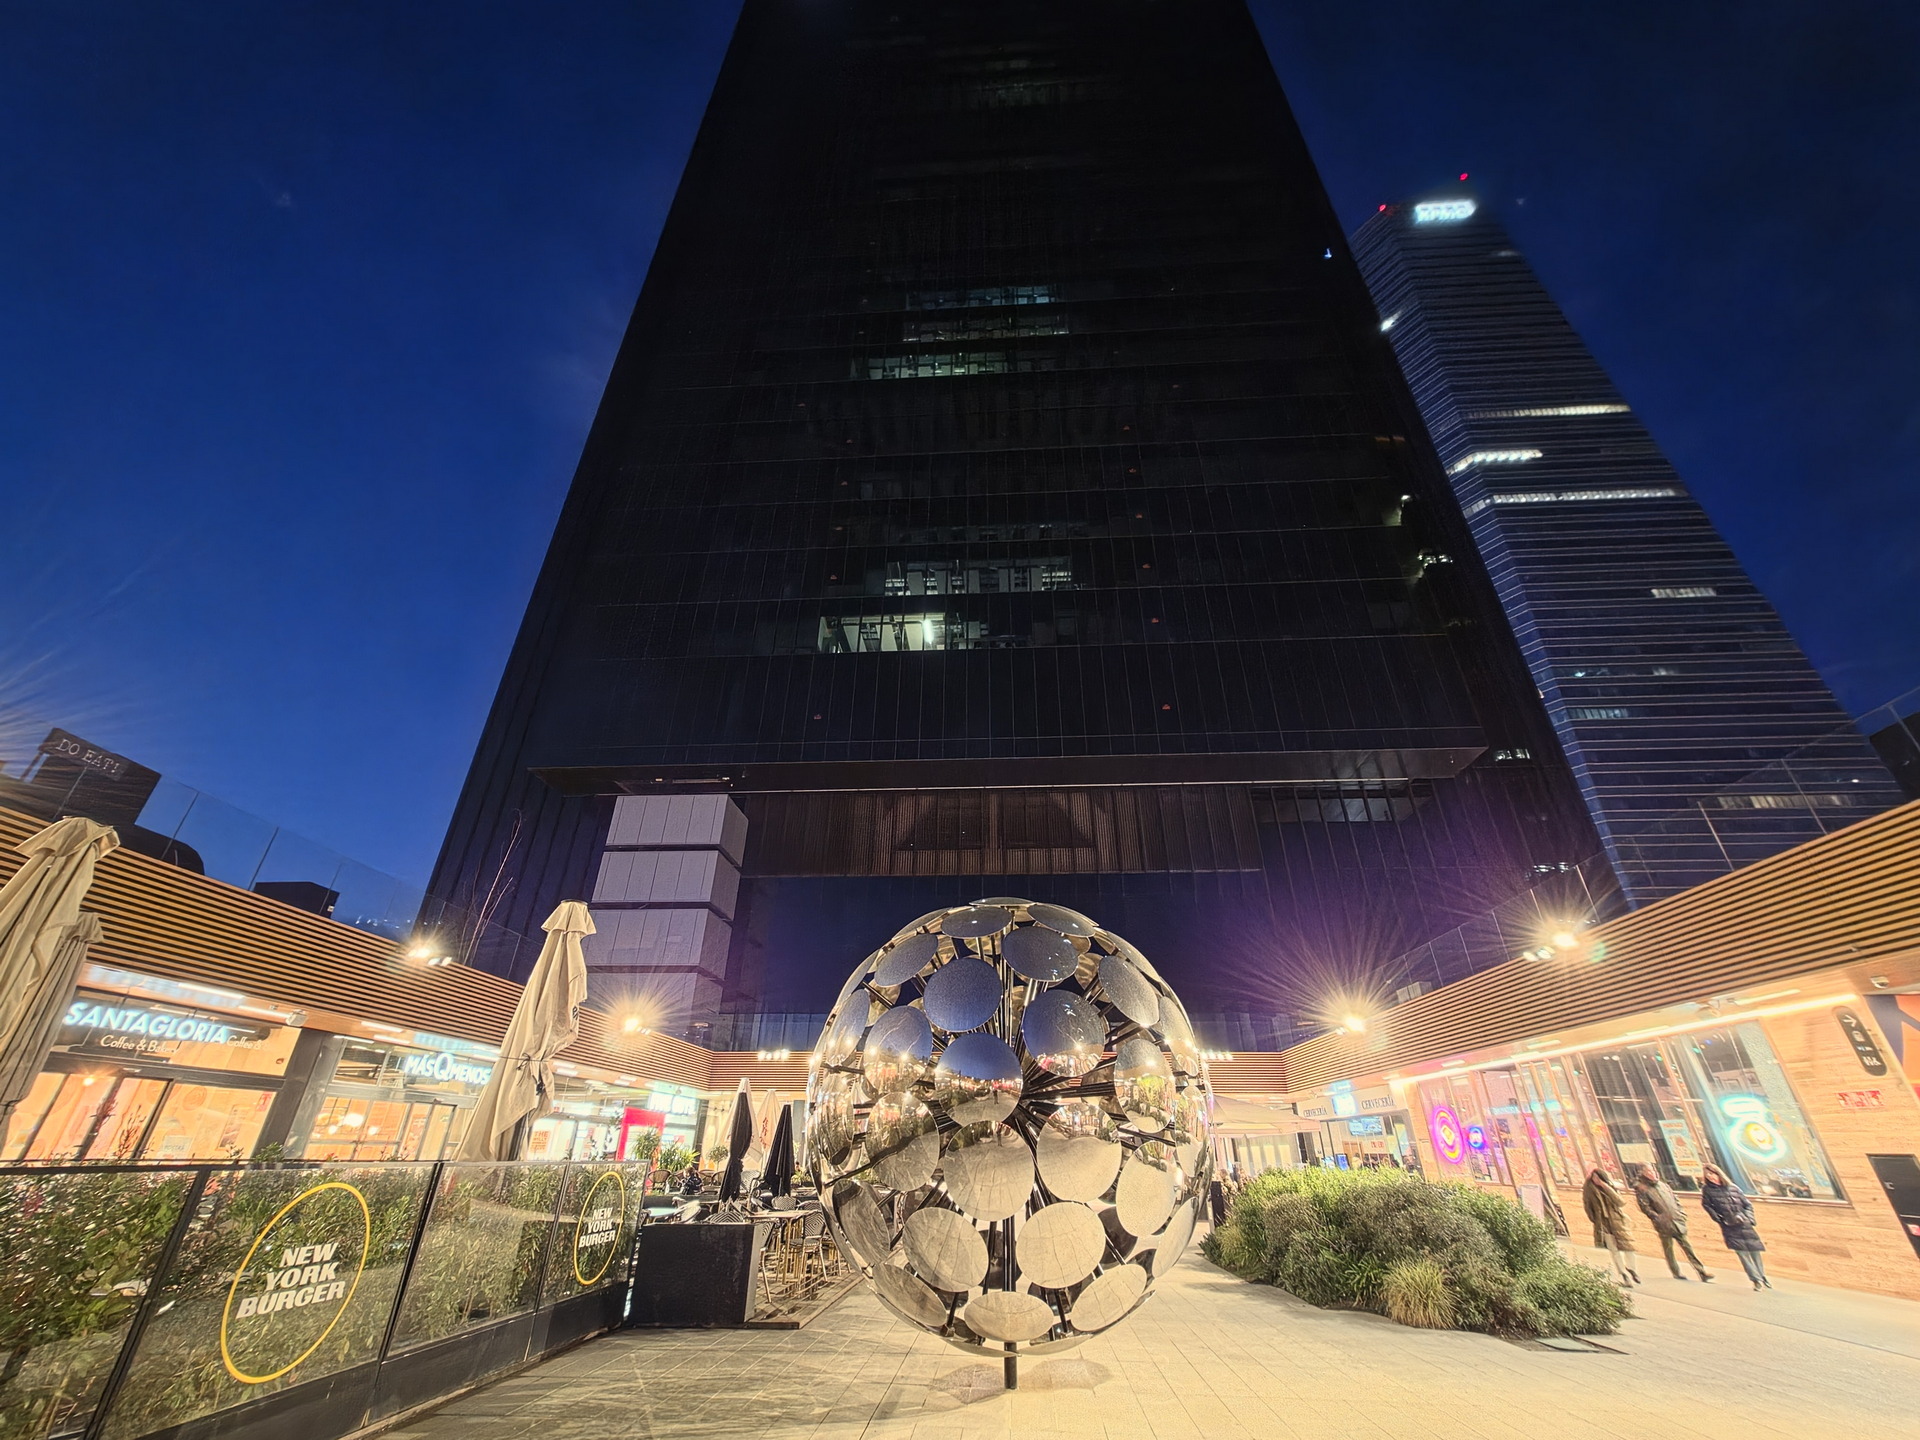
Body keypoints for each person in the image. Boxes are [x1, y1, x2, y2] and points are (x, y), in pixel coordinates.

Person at [1631, 1165, 1713, 1282]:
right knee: (1669, 1249)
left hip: (1676, 1220)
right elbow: (1645, 1207)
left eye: (1653, 1170)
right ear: (1643, 1174)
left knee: (1687, 1247)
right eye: (1648, 1171)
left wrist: (1681, 1214)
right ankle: (1676, 1272)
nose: (1652, 1173)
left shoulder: (1663, 1185)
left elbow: (1675, 1200)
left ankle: (1702, 1272)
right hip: (1663, 1224)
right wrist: (1657, 1217)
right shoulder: (1643, 1189)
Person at [1700, 1162, 1770, 1290]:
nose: (1710, 1177)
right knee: (1742, 1253)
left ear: (1718, 1173)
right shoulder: (1707, 1190)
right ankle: (1756, 1279)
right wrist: (1719, 1218)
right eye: (1707, 1175)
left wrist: (1750, 1218)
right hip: (1729, 1225)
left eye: (1712, 1174)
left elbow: (1747, 1205)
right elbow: (1707, 1206)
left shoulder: (1733, 1188)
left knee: (1755, 1251)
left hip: (1745, 1224)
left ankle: (1762, 1275)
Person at [1582, 1166, 1640, 1285]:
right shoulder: (1589, 1190)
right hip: (1604, 1224)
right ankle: (1623, 1274)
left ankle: (1632, 1269)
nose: (1596, 1180)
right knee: (1614, 1250)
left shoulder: (1610, 1187)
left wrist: (1605, 1186)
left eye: (1598, 1177)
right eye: (1594, 1177)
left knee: (1629, 1248)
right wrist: (1596, 1221)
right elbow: (1588, 1207)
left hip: (1617, 1221)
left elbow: (1620, 1202)